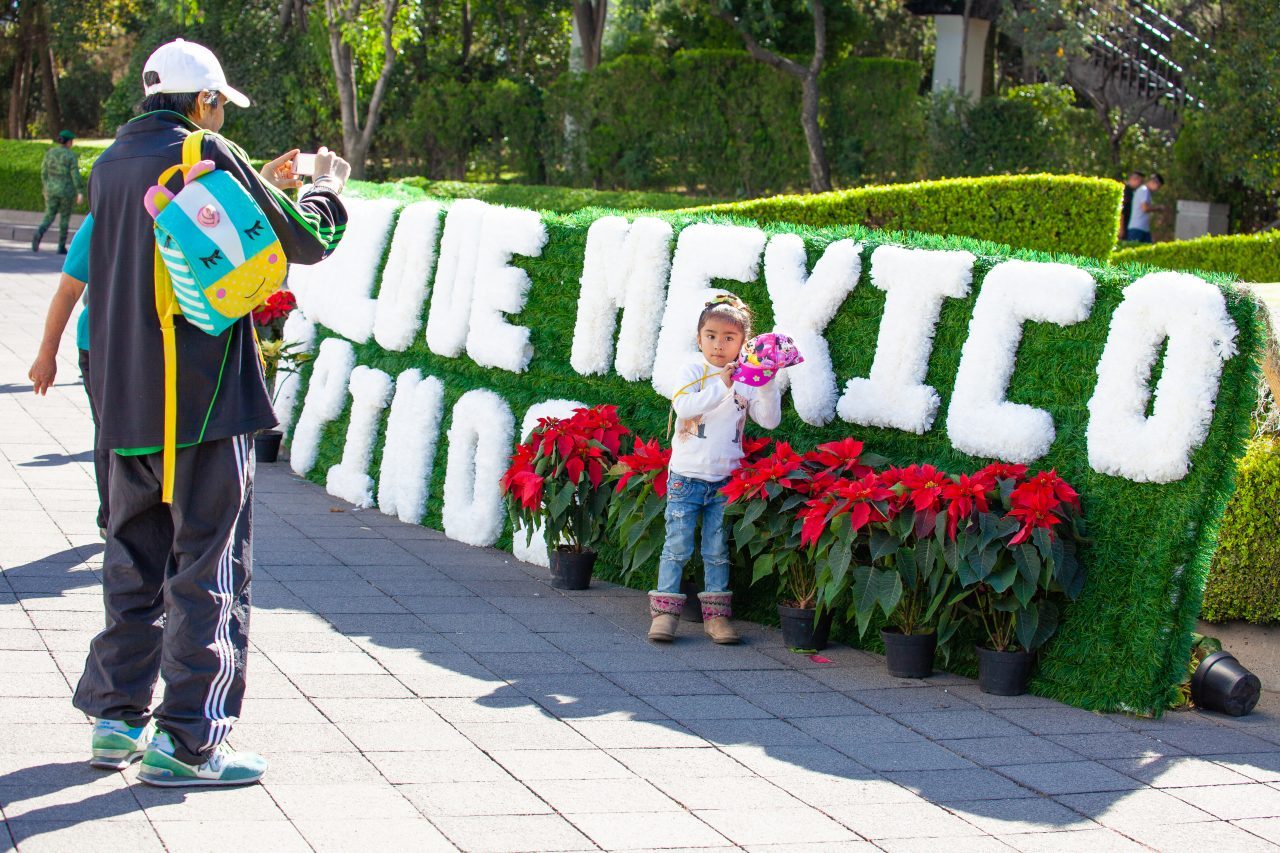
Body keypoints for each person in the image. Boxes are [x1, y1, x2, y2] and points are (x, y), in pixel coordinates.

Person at [73, 38, 350, 788]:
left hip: (124, 400)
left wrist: (255, 181)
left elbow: (169, 241)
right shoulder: (204, 147)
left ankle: (117, 716)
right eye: (220, 102)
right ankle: (191, 738)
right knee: (209, 562)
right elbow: (303, 238)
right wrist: (324, 191)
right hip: (201, 401)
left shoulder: (109, 166)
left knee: (133, 558)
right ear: (202, 102)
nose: (222, 113)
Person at [648, 294, 782, 645]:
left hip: (726, 480)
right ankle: (664, 614)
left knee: (717, 549)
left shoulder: (747, 377)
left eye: (728, 338)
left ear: (742, 343)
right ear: (699, 337)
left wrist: (765, 382)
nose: (718, 345)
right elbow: (685, 405)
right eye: (710, 335)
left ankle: (717, 619)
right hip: (686, 478)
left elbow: (769, 421)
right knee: (676, 546)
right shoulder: (693, 370)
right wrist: (722, 384)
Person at [29, 215, 109, 537]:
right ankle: (112, 518)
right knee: (110, 433)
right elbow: (69, 288)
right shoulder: (102, 218)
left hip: (159, 350)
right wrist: (46, 355)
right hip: (100, 347)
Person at [33, 129, 84, 254]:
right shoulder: (70, 155)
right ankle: (61, 246)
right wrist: (80, 191)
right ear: (68, 142)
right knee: (64, 218)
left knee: (49, 215)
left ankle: (39, 233)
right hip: (66, 191)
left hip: (51, 190)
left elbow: (43, 172)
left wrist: (46, 187)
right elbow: (75, 174)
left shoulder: (50, 153)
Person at [1125, 172, 1165, 243]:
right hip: (1137, 228)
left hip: (1144, 228)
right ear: (1154, 182)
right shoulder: (1143, 190)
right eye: (1158, 187)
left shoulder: (1147, 192)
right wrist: (1158, 208)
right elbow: (1145, 208)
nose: (1157, 189)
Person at [1119, 171, 1144, 240]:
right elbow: (1122, 210)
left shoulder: (1133, 191)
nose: (1141, 184)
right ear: (1134, 179)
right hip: (1124, 224)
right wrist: (1121, 228)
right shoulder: (1126, 191)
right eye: (1140, 181)